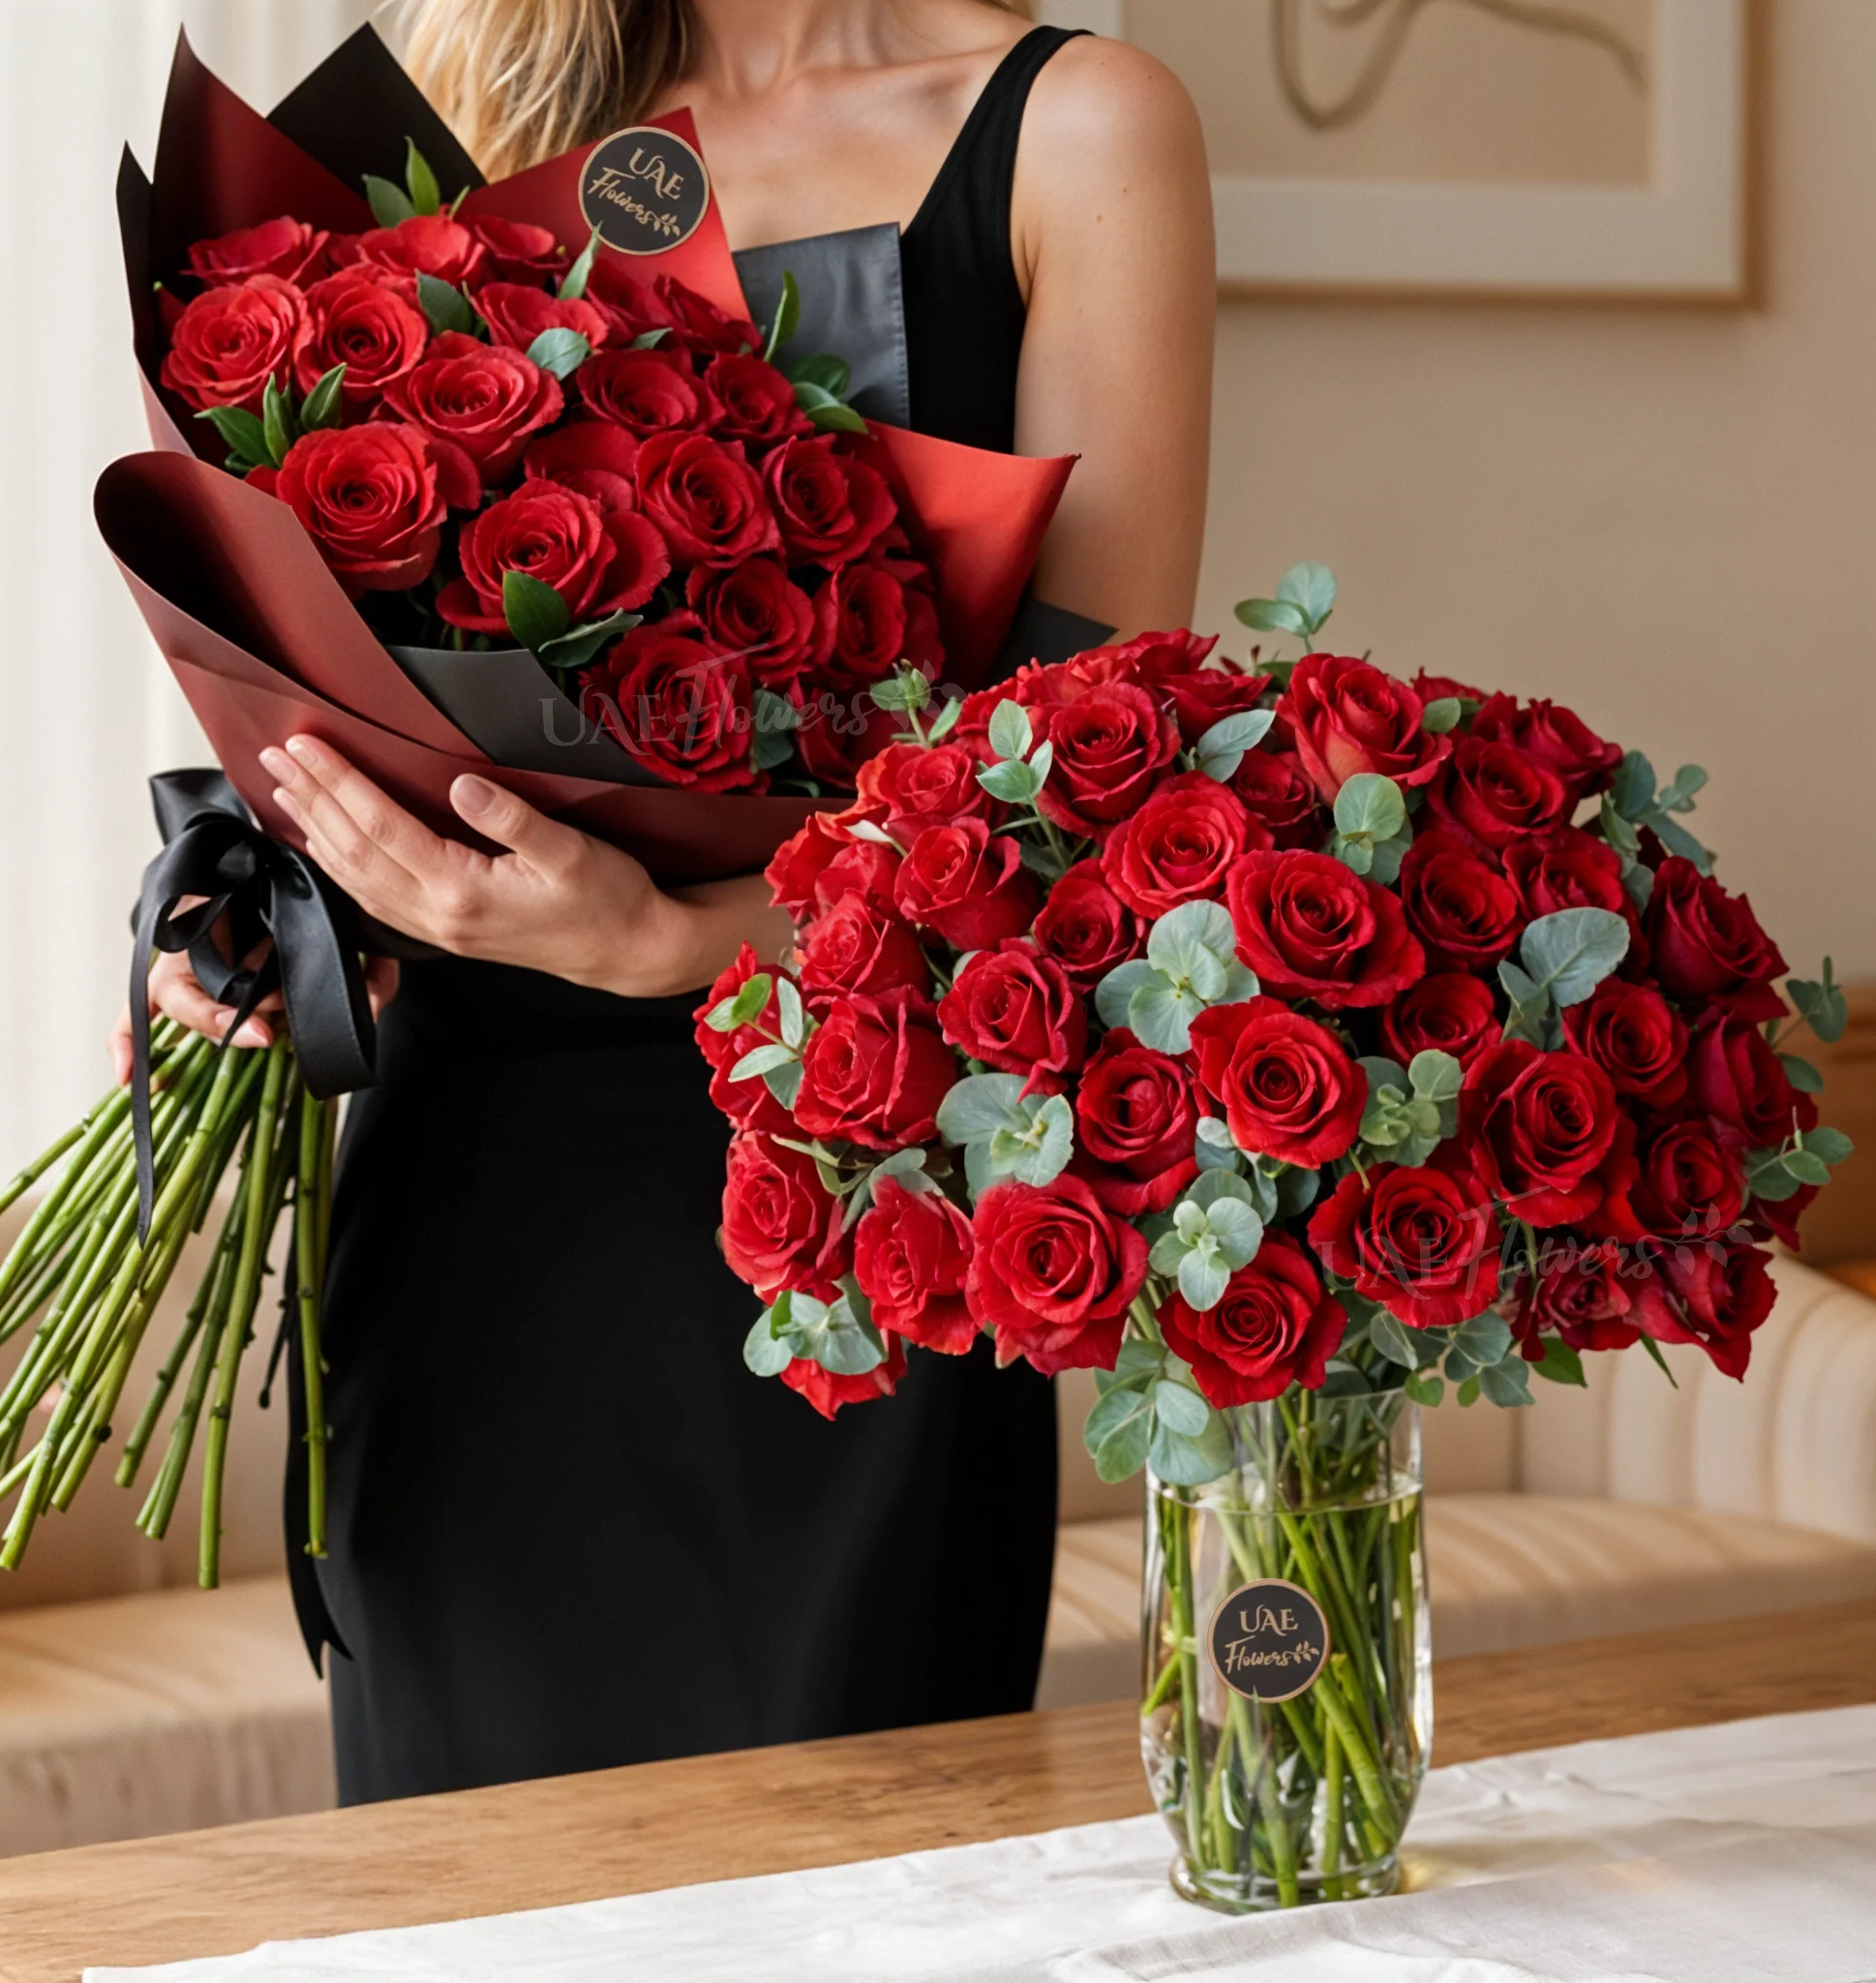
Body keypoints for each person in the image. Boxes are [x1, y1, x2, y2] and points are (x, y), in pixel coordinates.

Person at [112, 0, 1214, 1804]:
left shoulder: (1082, 127)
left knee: (857, 1896)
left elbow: (1078, 826)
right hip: (468, 1195)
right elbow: (348, 651)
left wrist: (679, 946)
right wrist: (290, 917)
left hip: (850, 1193)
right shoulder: (479, 93)